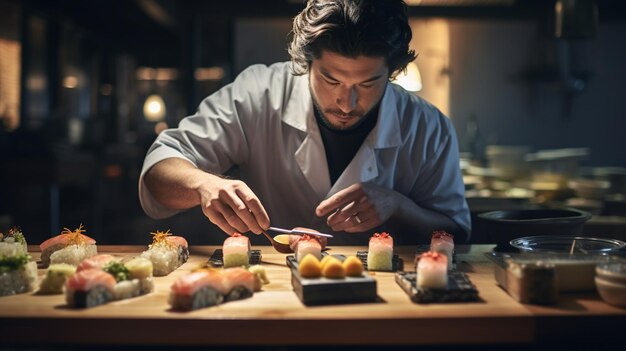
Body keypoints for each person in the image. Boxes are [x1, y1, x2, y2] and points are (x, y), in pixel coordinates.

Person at [139, 0, 471, 244]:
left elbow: (458, 232)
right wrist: (203, 185)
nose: (346, 102)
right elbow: (157, 173)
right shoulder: (258, 92)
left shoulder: (429, 127)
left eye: (367, 84)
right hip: (269, 297)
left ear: (392, 72)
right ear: (305, 63)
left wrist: (398, 207)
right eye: (330, 79)